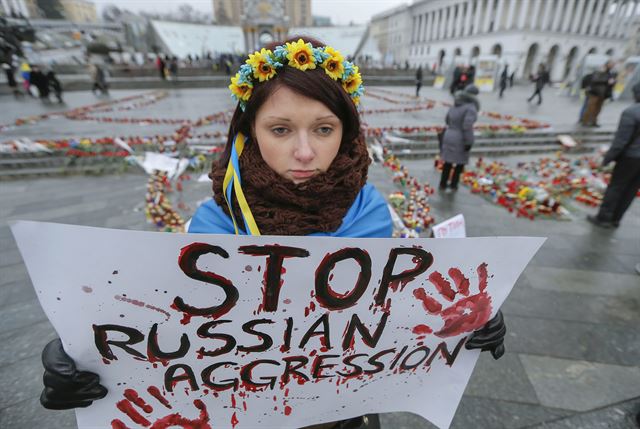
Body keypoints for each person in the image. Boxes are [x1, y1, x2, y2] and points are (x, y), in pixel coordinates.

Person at [38, 37, 507, 428]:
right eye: (281, 129)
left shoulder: (373, 214)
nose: (304, 152)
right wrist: (81, 350)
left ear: (348, 132)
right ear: (249, 131)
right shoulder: (214, 225)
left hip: (346, 416)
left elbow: (392, 313)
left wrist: (469, 319)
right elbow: (168, 322)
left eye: (323, 128)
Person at [587, 82, 640, 228]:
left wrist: (607, 159)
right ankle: (616, 219)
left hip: (630, 157)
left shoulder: (631, 112)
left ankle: (604, 218)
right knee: (631, 189)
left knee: (616, 187)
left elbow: (621, 141)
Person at [440, 85, 480, 191]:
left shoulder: (455, 105)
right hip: (460, 138)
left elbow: (447, 120)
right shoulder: (470, 108)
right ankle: (454, 184)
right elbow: (467, 126)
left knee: (447, 162)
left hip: (449, 134)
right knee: (459, 163)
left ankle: (443, 183)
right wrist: (469, 142)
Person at [581, 61, 617, 127]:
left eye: (613, 65)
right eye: (611, 64)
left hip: (603, 94)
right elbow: (595, 80)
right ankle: (585, 122)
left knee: (598, 109)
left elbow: (611, 83)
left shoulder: (610, 73)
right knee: (590, 108)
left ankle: (593, 121)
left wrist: (613, 82)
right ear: (607, 64)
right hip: (595, 93)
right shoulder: (600, 71)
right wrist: (607, 81)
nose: (612, 66)